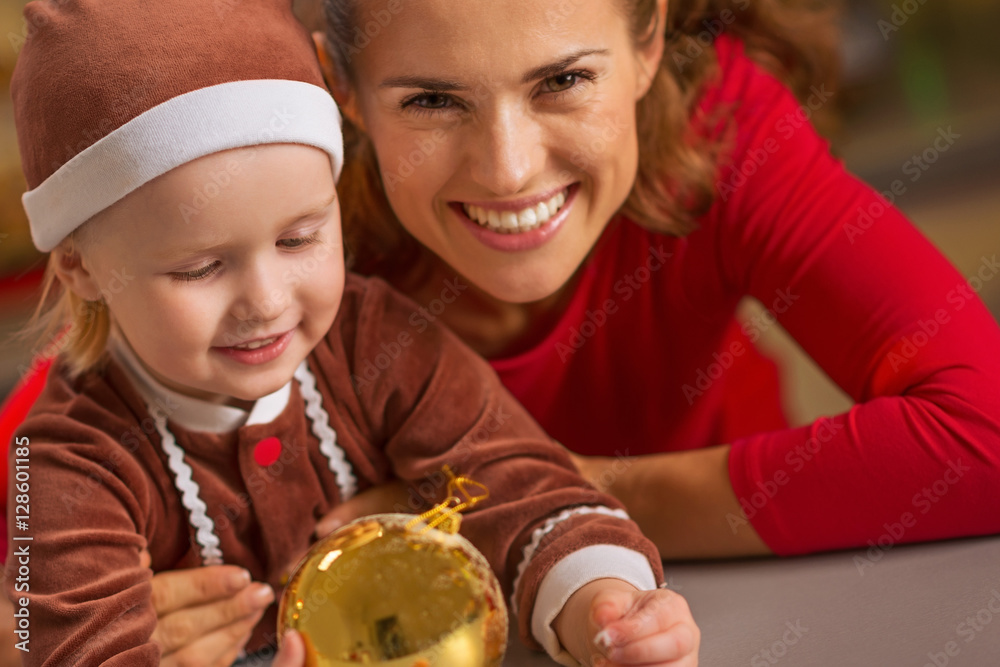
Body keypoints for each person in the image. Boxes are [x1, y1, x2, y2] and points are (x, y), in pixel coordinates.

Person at [3, 0, 700, 665]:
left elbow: (519, 483)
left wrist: (604, 607)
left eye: (299, 237)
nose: (266, 302)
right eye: (201, 267)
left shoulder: (378, 340)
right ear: (78, 267)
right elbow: (63, 640)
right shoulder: (66, 459)